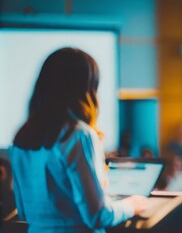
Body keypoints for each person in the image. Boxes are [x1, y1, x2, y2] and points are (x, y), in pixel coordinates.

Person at [9, 48, 147, 233]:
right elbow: (98, 216)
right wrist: (132, 204)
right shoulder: (78, 135)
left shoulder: (21, 140)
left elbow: (24, 211)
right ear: (85, 88)